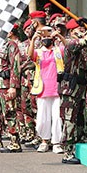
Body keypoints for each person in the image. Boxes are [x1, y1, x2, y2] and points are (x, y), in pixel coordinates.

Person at [57, 18, 87, 164]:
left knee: (80, 118)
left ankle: (78, 144)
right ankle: (67, 151)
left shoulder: (82, 46)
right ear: (72, 31)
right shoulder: (70, 43)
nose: (83, 32)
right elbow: (83, 42)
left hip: (80, 87)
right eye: (81, 29)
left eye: (84, 30)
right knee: (69, 120)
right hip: (70, 89)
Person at [28, 25, 65, 153]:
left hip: (56, 88)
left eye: (48, 36)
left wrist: (59, 36)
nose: (46, 39)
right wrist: (33, 40)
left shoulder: (58, 50)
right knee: (43, 117)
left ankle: (56, 142)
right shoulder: (38, 52)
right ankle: (44, 140)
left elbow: (69, 48)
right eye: (44, 37)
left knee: (57, 117)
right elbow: (30, 55)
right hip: (42, 89)